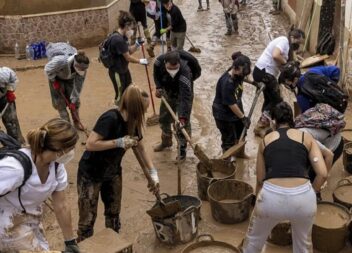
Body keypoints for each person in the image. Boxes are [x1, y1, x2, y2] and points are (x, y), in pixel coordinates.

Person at [242, 101, 328, 253]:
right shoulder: (305, 137)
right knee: (303, 246)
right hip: (303, 199)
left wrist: (256, 203)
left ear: (274, 122)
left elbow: (260, 180)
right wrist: (311, 192)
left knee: (254, 241)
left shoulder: (266, 140)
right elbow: (322, 174)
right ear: (292, 120)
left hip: (271, 199)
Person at [76, 85, 159, 242]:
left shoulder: (133, 122)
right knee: (87, 218)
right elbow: (90, 144)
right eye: (143, 109)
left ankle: (114, 243)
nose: (145, 113)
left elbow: (140, 149)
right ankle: (84, 245)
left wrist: (153, 173)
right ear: (135, 107)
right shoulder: (111, 118)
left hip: (113, 172)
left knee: (113, 213)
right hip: (91, 173)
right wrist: (118, 142)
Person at [0, 118, 79, 252]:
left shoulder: (56, 166)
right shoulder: (16, 168)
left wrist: (70, 241)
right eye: (71, 149)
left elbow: (62, 205)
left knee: (43, 248)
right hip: (6, 225)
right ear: (60, 150)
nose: (72, 153)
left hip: (30, 219)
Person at [252, 28, 305, 137]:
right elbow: (276, 55)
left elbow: (283, 68)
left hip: (264, 72)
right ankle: (262, 125)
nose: (299, 45)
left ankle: (263, 125)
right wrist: (287, 64)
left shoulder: (288, 48)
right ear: (292, 37)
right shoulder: (284, 41)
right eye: (298, 42)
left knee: (269, 99)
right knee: (277, 100)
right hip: (264, 72)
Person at [153, 51, 195, 160]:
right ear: (165, 63)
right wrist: (158, 87)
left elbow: (185, 99)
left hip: (183, 94)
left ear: (179, 64)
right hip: (168, 91)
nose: (173, 71)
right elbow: (156, 75)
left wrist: (182, 117)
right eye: (170, 69)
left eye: (175, 68)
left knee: (182, 125)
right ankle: (166, 142)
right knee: (164, 119)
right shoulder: (158, 63)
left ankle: (182, 150)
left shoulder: (185, 73)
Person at [212, 52, 251, 158]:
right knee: (228, 139)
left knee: (242, 132)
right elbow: (231, 104)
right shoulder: (227, 83)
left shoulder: (238, 72)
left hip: (236, 107)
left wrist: (255, 83)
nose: (243, 77)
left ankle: (239, 154)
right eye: (242, 74)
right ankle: (227, 161)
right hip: (223, 114)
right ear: (236, 69)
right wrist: (243, 118)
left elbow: (246, 77)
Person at [106, 11, 149, 104]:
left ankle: (127, 110)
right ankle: (118, 112)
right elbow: (128, 57)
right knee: (120, 95)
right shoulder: (117, 39)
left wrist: (137, 44)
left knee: (129, 90)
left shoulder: (123, 37)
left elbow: (128, 50)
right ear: (126, 25)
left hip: (124, 69)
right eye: (131, 27)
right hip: (117, 72)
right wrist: (140, 61)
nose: (132, 30)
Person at [45, 51, 90, 131]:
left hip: (70, 78)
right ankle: (67, 126)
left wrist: (73, 101)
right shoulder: (60, 61)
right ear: (75, 65)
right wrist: (54, 81)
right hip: (56, 78)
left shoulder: (83, 69)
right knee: (60, 103)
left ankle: (76, 123)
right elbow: (48, 69)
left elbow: (78, 85)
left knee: (75, 103)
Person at [0, 67, 25, 144]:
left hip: (5, 98)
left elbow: (14, 80)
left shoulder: (5, 72)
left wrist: (10, 90)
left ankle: (17, 144)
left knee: (11, 122)